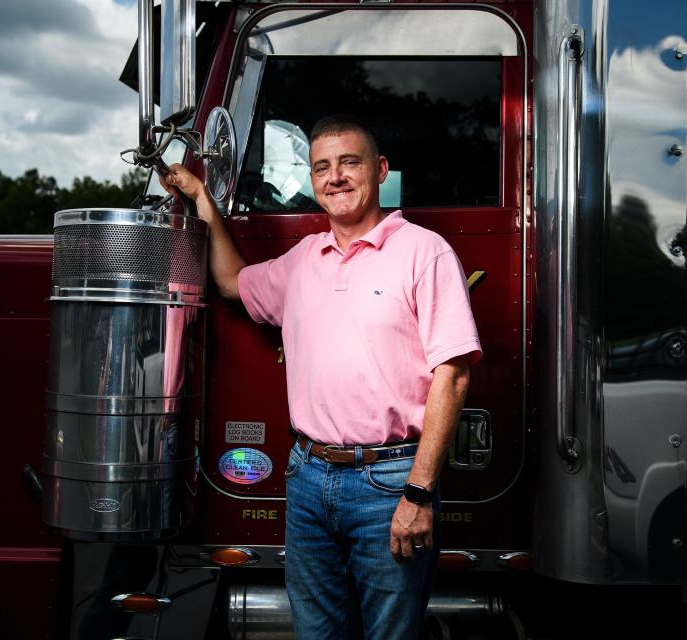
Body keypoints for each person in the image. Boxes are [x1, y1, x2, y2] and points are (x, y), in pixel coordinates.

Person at [159, 114, 481, 639]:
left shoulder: (425, 251)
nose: (335, 177)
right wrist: (204, 203)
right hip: (308, 478)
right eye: (322, 168)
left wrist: (418, 494)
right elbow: (231, 282)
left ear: (379, 171)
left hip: (390, 484)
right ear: (312, 181)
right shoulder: (304, 259)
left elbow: (454, 376)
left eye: (349, 163)